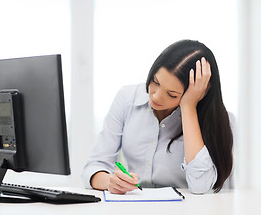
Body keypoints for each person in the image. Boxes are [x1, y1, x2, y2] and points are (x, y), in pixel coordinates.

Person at [82, 39, 233, 194]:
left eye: (172, 94)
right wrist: (110, 182)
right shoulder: (127, 99)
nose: (156, 96)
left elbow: (201, 186)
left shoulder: (220, 121)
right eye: (155, 81)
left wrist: (188, 107)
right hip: (135, 204)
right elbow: (94, 166)